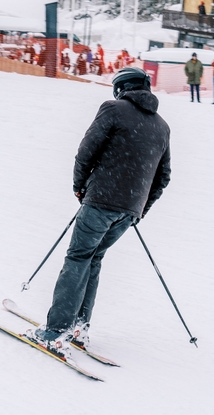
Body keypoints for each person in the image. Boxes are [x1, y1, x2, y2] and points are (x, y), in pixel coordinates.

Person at [30, 67, 170, 353]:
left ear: (121, 88)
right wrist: (141, 209)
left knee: (79, 257)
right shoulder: (162, 126)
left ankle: (56, 331)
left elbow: (86, 151)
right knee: (93, 258)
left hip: (101, 201)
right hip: (129, 210)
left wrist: (80, 186)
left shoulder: (113, 109)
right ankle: (80, 327)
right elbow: (163, 176)